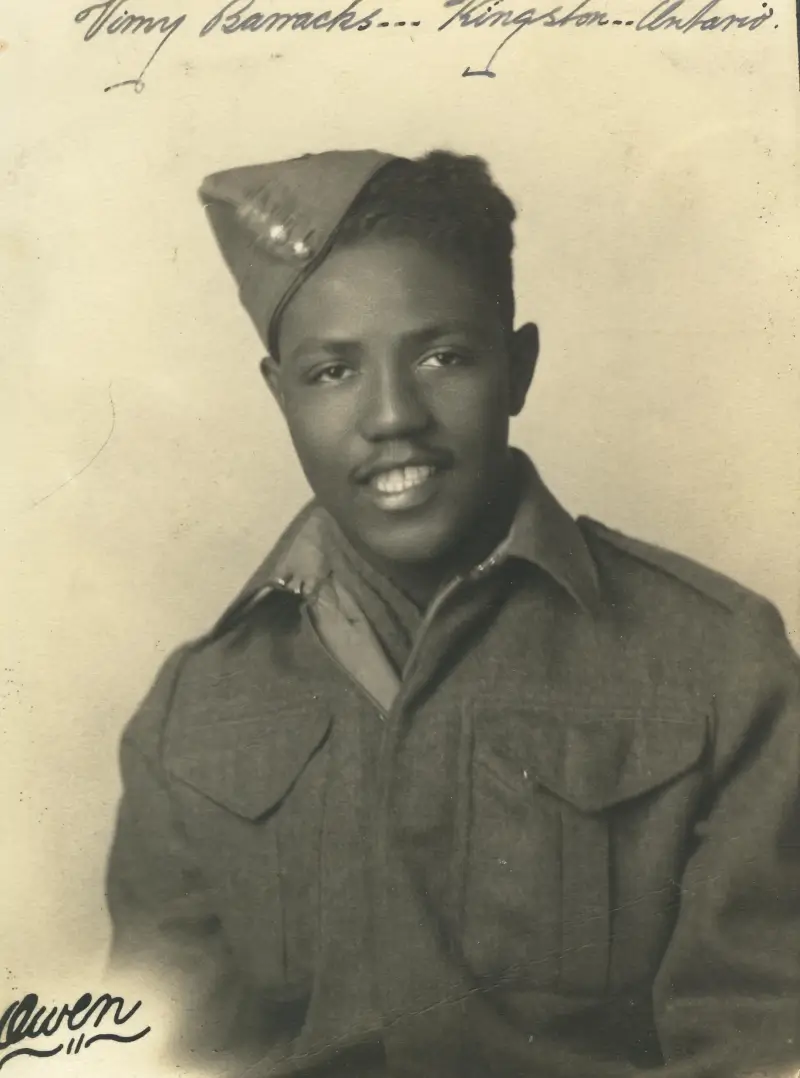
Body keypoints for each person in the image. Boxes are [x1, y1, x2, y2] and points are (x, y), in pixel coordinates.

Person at [105, 149, 800, 1078]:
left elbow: (760, 1044)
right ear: (279, 396)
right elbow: (162, 1056)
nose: (393, 415)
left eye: (444, 357)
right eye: (332, 371)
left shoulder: (721, 665)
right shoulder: (193, 712)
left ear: (518, 368)